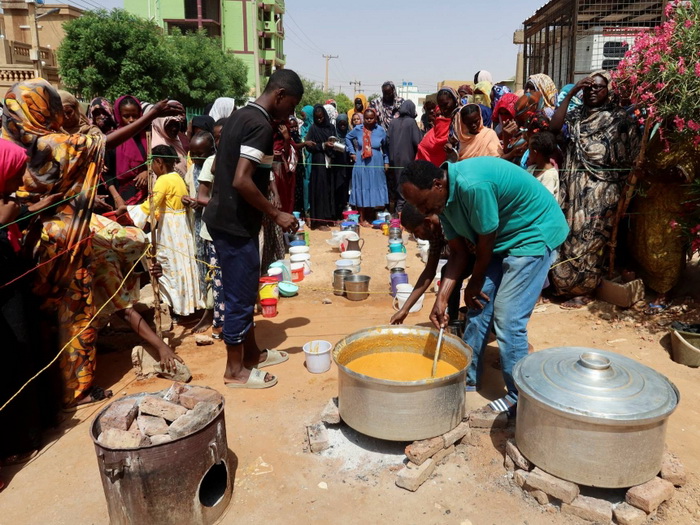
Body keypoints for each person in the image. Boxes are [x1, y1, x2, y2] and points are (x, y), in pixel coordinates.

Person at [399, 158, 568, 415]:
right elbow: (457, 255)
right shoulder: (445, 204)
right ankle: (467, 377)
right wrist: (441, 300)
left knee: (507, 318)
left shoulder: (473, 186)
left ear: (437, 184)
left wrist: (475, 282)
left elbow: (486, 240)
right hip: (502, 240)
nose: (423, 211)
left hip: (533, 233)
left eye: (422, 204)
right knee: (478, 309)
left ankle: (518, 398)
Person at [202, 69, 302, 389]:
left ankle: (252, 354)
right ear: (280, 95)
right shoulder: (259, 125)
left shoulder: (239, 116)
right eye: (292, 105)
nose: (292, 112)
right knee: (239, 297)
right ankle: (235, 371)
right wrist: (276, 214)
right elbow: (241, 179)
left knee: (244, 291)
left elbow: (220, 166)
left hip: (227, 218)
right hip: (235, 225)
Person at [549, 71, 641, 306]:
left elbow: (632, 156)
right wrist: (571, 93)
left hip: (603, 191)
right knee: (569, 238)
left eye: (598, 87)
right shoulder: (576, 115)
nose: (592, 91)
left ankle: (585, 290)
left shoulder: (619, 119)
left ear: (608, 90)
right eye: (588, 88)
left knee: (591, 242)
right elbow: (553, 128)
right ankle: (564, 286)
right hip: (574, 190)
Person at [130, 144, 204, 318]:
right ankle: (190, 305)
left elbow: (151, 204)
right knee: (182, 264)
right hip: (181, 227)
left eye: (152, 164)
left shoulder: (163, 180)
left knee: (170, 265)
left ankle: (179, 307)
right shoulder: (178, 177)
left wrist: (127, 211)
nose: (152, 169)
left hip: (171, 230)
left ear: (158, 162)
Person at [390, 204, 473, 324]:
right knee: (446, 272)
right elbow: (429, 271)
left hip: (486, 254)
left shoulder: (450, 225)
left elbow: (466, 255)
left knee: (478, 292)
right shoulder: (434, 233)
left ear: (427, 222)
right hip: (467, 255)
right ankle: (453, 322)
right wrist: (405, 309)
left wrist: (475, 279)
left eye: (416, 231)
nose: (416, 236)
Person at [183, 132, 217, 333]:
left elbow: (209, 197)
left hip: (211, 223)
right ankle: (206, 306)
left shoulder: (212, 165)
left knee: (212, 268)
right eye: (192, 153)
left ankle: (211, 311)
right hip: (197, 223)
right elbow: (191, 192)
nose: (196, 158)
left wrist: (199, 202)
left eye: (200, 154)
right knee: (202, 264)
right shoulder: (192, 169)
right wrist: (187, 200)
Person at [345, 108, 389, 226]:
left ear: (375, 119)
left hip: (376, 162)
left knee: (374, 187)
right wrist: (352, 152)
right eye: (367, 118)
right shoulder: (358, 129)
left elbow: (385, 147)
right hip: (361, 161)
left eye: (371, 118)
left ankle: (371, 217)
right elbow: (348, 138)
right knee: (362, 186)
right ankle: (362, 218)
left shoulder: (380, 130)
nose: (369, 120)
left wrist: (386, 161)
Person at [305, 105, 344, 230]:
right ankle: (320, 221)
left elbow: (335, 140)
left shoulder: (331, 127)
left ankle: (329, 217)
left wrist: (334, 145)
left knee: (330, 189)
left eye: (321, 117)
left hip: (331, 161)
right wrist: (322, 145)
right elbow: (309, 146)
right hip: (319, 163)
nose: (320, 120)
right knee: (320, 190)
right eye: (317, 118)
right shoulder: (313, 128)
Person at [387, 100, 422, 212]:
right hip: (407, 159)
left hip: (393, 159)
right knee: (405, 185)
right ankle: (400, 212)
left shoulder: (393, 122)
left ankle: (397, 210)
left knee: (397, 185)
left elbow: (387, 140)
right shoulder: (411, 122)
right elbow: (417, 141)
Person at [416, 88, 459, 166]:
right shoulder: (440, 122)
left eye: (446, 104)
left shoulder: (460, 120)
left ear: (454, 100)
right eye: (441, 106)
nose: (443, 110)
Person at [526, 131, 560, 203]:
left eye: (529, 150)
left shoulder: (549, 175)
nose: (528, 154)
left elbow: (543, 201)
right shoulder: (531, 169)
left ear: (535, 153)